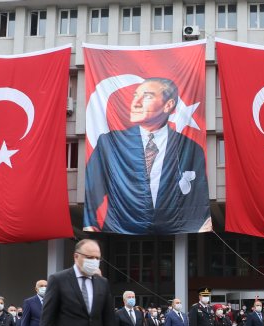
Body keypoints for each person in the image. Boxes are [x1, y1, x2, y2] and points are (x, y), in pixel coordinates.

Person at [83, 77, 210, 235]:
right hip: (118, 234)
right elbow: (91, 190)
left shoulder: (191, 148)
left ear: (168, 105)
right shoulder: (109, 143)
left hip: (172, 235)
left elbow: (196, 202)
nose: (136, 103)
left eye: (148, 96)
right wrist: (89, 225)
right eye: (136, 95)